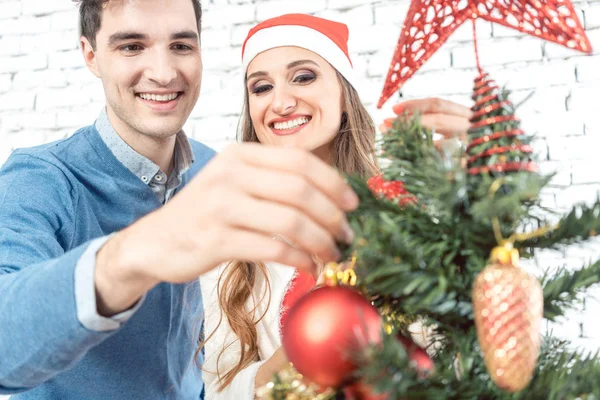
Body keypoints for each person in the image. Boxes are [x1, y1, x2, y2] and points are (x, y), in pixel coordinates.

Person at [0, 2, 361, 399]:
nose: (163, 72)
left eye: (181, 46)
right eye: (132, 47)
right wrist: (130, 256)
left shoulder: (218, 175)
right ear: (91, 55)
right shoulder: (40, 178)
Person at [199, 14, 473, 399]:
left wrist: (476, 213)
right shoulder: (230, 242)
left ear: (344, 94)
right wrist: (322, 324)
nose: (280, 101)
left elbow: (467, 358)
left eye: (304, 77)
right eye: (261, 87)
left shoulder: (404, 211)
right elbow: (219, 389)